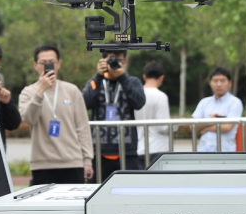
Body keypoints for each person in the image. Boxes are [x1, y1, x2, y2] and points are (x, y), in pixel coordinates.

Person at [19, 45, 94, 185]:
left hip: (72, 162)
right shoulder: (28, 92)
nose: (48, 66)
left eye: (52, 62)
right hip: (42, 163)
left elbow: (82, 127)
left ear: (58, 64)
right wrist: (40, 91)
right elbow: (29, 118)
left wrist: (87, 160)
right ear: (35, 65)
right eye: (43, 62)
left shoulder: (72, 90)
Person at [82, 50, 146, 181]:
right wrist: (98, 76)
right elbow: (83, 104)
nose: (114, 63)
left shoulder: (132, 81)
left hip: (127, 149)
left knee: (129, 189)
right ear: (102, 61)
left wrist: (123, 78)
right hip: (99, 150)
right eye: (110, 59)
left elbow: (139, 103)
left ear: (125, 62)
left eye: (118, 60)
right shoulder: (96, 82)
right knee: (97, 190)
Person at [192, 67, 244, 152]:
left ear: (229, 83)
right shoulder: (204, 102)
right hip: (204, 150)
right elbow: (193, 125)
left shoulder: (235, 102)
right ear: (210, 83)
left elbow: (227, 126)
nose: (219, 84)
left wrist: (205, 128)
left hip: (225, 151)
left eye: (222, 81)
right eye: (215, 81)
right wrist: (211, 120)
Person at [134, 61, 172, 168]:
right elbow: (163, 127)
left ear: (144, 76)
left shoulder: (136, 95)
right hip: (158, 147)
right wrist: (176, 125)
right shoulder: (161, 96)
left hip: (139, 147)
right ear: (162, 77)